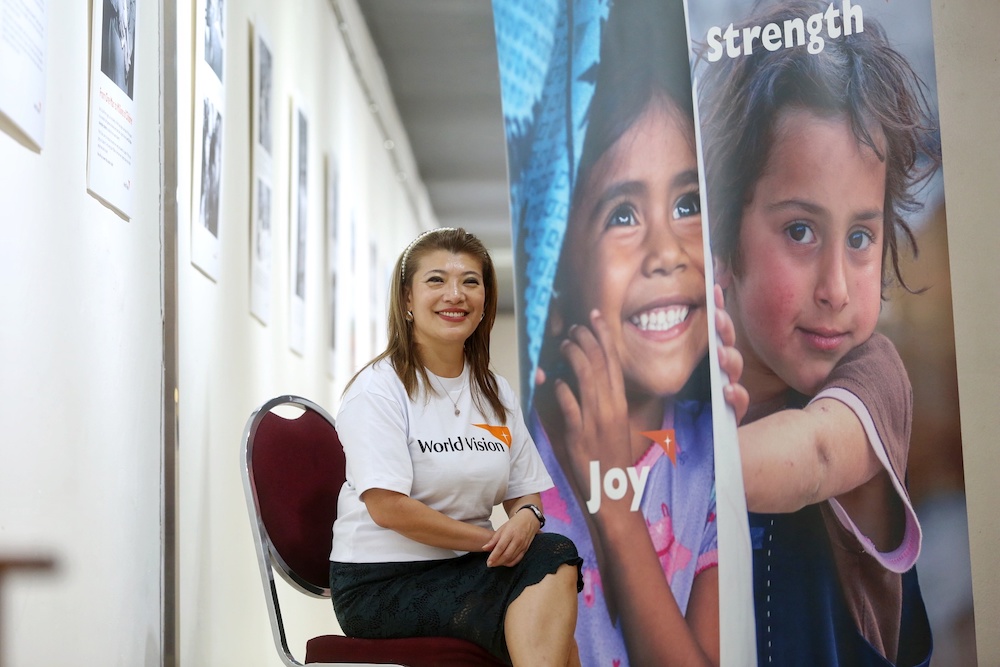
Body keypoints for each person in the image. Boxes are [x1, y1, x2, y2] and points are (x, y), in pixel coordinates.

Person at [700, 1, 939, 663]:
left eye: (861, 236)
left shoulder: (873, 380)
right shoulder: (689, 379)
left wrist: (652, 475)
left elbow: (815, 458)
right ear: (721, 237)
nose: (836, 285)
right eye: (800, 230)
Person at [530, 2, 719, 664]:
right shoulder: (513, 456)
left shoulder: (719, 461)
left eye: (688, 204)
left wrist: (613, 495)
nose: (666, 250)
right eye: (622, 214)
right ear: (553, 278)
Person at [328, 227, 584, 667]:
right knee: (549, 572)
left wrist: (526, 518)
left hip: (465, 566)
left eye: (470, 281)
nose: (456, 294)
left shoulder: (494, 392)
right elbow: (388, 507)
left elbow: (525, 491)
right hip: (381, 582)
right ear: (406, 299)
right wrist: (492, 542)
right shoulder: (378, 390)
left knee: (549, 568)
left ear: (485, 300)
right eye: (436, 280)